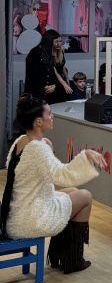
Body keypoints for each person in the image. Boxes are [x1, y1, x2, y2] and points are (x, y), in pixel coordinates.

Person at [0, 95, 105, 273]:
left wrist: (45, 144)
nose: (52, 116)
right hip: (30, 220)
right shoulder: (37, 149)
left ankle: (59, 255)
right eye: (49, 113)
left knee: (72, 191)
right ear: (39, 122)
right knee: (85, 196)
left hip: (16, 213)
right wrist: (85, 155)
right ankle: (73, 260)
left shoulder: (22, 141)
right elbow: (62, 175)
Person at [24, 29, 70, 104]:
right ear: (49, 42)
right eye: (56, 42)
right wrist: (45, 87)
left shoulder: (57, 51)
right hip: (37, 93)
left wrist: (54, 85)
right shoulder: (35, 53)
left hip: (54, 92)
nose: (59, 44)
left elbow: (59, 73)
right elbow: (33, 75)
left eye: (60, 41)